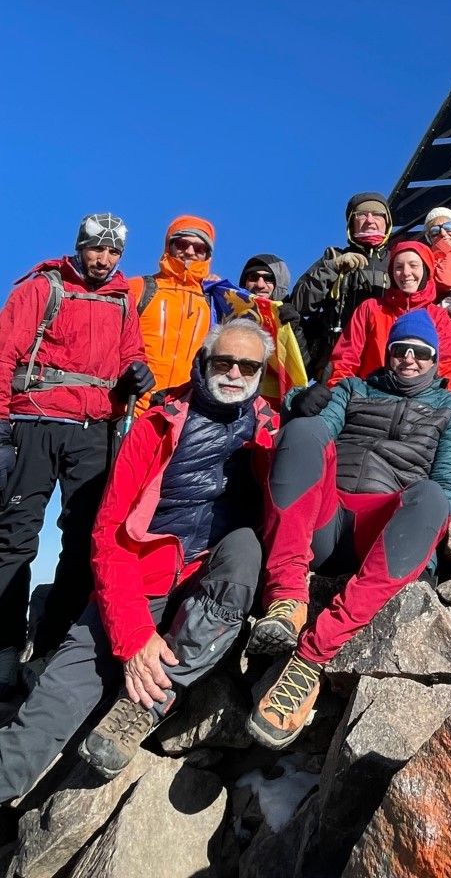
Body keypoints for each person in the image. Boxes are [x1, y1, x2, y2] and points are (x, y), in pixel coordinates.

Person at [0, 318, 279, 799]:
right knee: (49, 711)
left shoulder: (270, 430)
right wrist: (132, 639)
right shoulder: (156, 423)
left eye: (248, 365)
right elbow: (109, 534)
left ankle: (150, 701)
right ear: (203, 362)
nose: (234, 372)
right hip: (139, 577)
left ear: (261, 373)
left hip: (209, 574)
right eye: (224, 361)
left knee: (244, 549)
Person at [245, 309, 451, 749]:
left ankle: (311, 656)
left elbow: (449, 478)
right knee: (306, 431)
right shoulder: (354, 387)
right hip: (326, 517)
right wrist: (298, 404)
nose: (409, 359)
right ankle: (288, 599)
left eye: (420, 353)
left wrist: (427, 548)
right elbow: (318, 432)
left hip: (379, 527)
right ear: (387, 353)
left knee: (434, 497)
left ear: (435, 359)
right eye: (400, 350)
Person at [0, 214, 152, 698]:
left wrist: (138, 375)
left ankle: (45, 650)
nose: (103, 259)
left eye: (113, 253)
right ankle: (4, 657)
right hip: (34, 422)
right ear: (80, 247)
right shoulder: (41, 287)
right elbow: (3, 354)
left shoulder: (123, 299)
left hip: (95, 431)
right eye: (96, 249)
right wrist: (2, 428)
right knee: (15, 538)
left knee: (87, 539)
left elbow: (134, 353)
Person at [327, 240, 451, 395]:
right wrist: (337, 398)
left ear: (426, 269)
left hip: (421, 405)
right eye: (398, 267)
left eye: (413, 265)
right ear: (391, 273)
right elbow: (345, 359)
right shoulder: (370, 308)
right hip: (371, 399)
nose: (406, 272)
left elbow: (449, 365)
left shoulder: (438, 316)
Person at [290, 192, 393, 379]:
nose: (370, 220)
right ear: (350, 224)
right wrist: (332, 268)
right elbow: (300, 303)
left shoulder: (398, 263)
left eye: (377, 215)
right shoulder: (332, 258)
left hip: (385, 364)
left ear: (387, 222)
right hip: (336, 365)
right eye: (361, 215)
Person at [128, 215, 218, 415]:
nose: (189, 251)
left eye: (199, 248)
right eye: (181, 243)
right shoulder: (138, 287)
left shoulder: (214, 300)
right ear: (168, 246)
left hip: (184, 412)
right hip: (133, 407)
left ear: (208, 255)